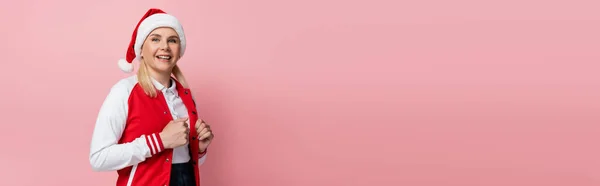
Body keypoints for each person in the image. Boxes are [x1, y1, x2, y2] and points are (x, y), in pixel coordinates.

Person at [89, 8, 214, 186]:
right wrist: (160, 141)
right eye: (155, 39)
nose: (165, 46)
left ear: (180, 50)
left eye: (172, 40)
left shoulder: (186, 95)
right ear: (141, 48)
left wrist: (199, 149)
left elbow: (183, 163)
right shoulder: (123, 91)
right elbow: (98, 158)